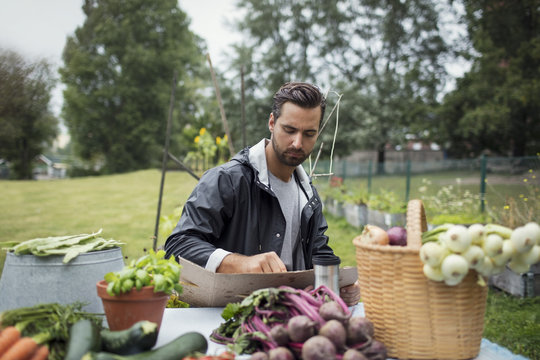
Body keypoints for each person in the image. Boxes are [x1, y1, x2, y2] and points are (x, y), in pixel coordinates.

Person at [164, 81, 360, 306]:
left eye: (309, 133)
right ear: (272, 122)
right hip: (231, 320)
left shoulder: (309, 195)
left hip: (291, 319)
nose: (297, 143)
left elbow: (319, 252)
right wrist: (240, 264)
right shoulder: (228, 180)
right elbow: (178, 245)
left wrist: (337, 285)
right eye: (289, 130)